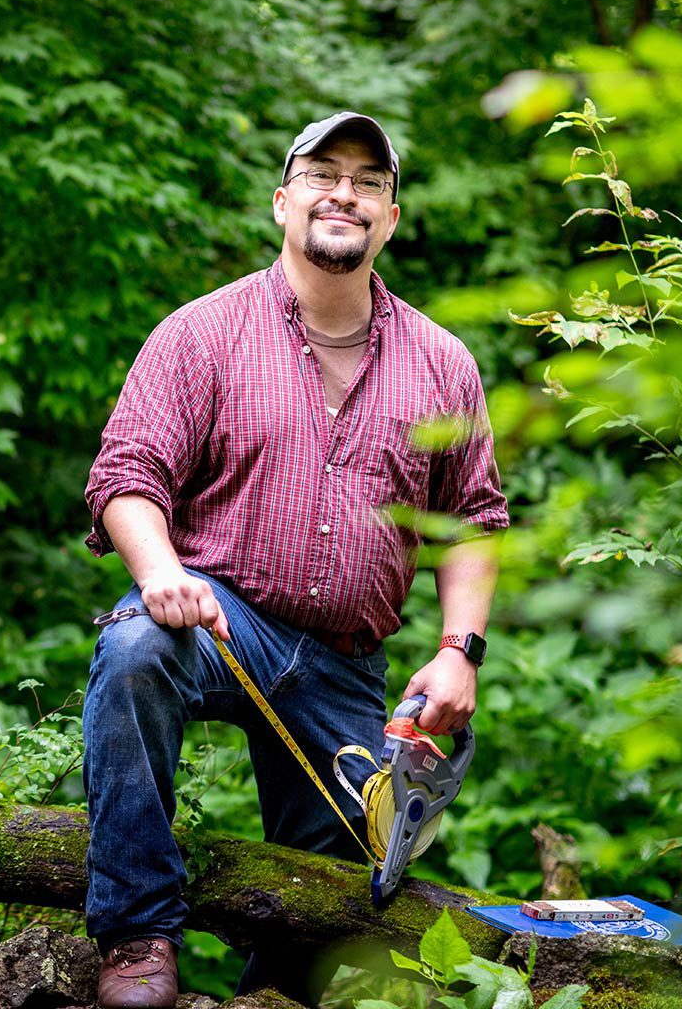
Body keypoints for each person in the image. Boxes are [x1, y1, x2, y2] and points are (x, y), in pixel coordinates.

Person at [80, 111, 508, 1009]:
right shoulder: (202, 333)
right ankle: (135, 934)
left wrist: (457, 651)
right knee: (133, 653)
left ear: (391, 218)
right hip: (219, 619)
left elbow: (469, 520)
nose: (343, 193)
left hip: (349, 667)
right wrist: (160, 573)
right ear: (284, 203)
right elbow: (127, 474)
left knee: (317, 926)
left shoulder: (443, 362)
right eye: (322, 174)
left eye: (368, 181)